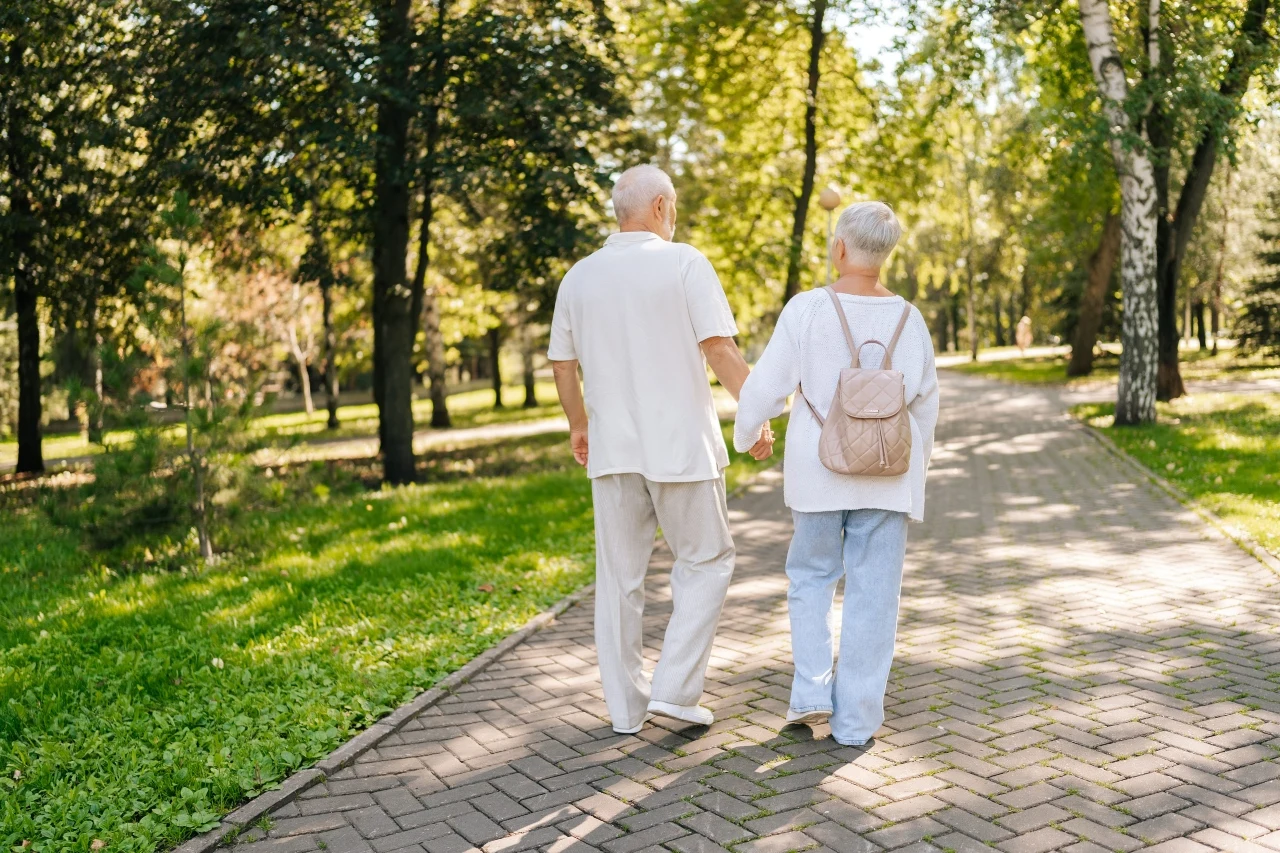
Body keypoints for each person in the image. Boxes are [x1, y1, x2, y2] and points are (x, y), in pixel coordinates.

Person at [549, 164, 773, 735]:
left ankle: (627, 712)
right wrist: (756, 415)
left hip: (614, 450)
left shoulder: (579, 276)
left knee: (619, 581)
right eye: (672, 207)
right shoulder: (684, 262)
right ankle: (674, 690)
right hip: (682, 448)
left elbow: (562, 364)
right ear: (659, 207)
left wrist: (578, 425)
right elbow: (720, 350)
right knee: (706, 561)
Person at [733, 201, 939, 746]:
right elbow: (925, 407)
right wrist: (915, 475)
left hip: (818, 472)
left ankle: (810, 693)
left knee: (811, 577)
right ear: (885, 254)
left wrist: (748, 433)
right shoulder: (911, 319)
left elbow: (768, 384)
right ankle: (856, 722)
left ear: (839, 247)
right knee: (875, 595)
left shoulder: (807, 309)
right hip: (888, 475)